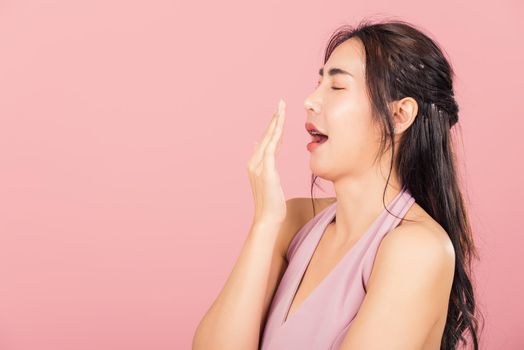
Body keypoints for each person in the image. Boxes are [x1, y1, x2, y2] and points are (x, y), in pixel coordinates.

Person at [192, 18, 483, 350]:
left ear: (400, 115)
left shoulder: (417, 250)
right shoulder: (294, 220)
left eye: (337, 87)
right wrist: (264, 224)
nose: (310, 101)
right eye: (318, 83)